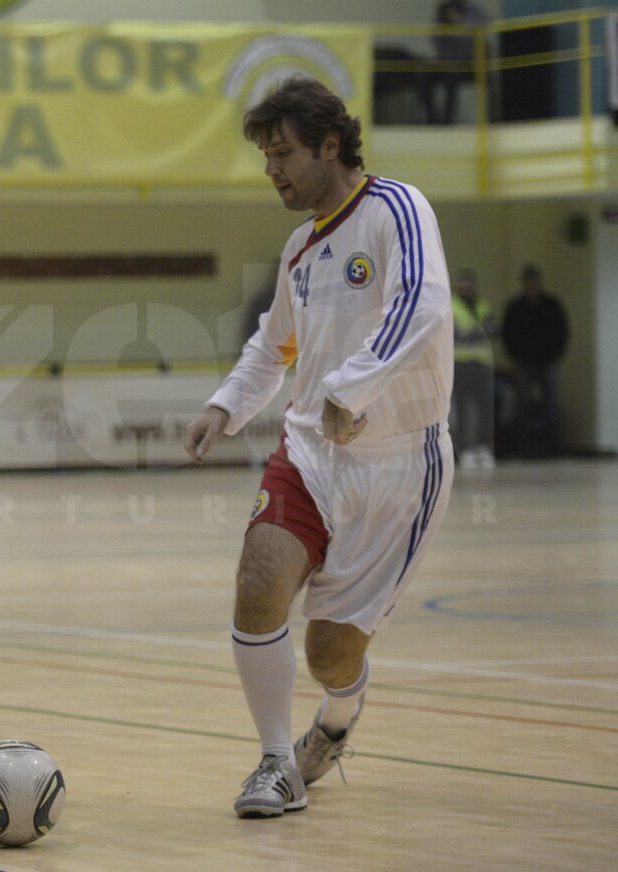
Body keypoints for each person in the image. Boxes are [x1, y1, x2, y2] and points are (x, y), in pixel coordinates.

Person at [183, 77, 454, 818]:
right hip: (310, 452)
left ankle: (336, 721)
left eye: (283, 153)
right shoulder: (301, 248)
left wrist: (350, 391)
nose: (272, 169)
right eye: (266, 155)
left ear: (330, 146)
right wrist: (225, 405)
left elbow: (421, 304)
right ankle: (275, 763)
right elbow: (274, 348)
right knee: (257, 582)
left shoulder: (397, 208)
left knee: (332, 655)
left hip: (401, 465)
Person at [502, 264, 569, 456]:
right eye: (528, 281)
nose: (531, 285)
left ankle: (556, 447)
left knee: (552, 404)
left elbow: (562, 331)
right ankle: (519, 446)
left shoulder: (551, 305)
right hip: (524, 362)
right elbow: (509, 333)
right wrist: (515, 355)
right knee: (521, 404)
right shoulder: (516, 307)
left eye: (534, 281)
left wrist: (556, 354)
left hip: (549, 361)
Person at [450, 268, 498, 467]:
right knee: (460, 409)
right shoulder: (451, 306)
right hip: (459, 364)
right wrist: (475, 332)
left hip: (481, 364)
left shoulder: (483, 306)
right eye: (462, 284)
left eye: (469, 284)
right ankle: (465, 450)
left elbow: (493, 329)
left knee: (485, 408)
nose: (466, 287)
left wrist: (476, 332)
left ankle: (483, 448)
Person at [431, 0, 490, 124]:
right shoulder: (444, 12)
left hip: (469, 63)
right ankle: (432, 117)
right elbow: (436, 42)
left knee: (451, 74)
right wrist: (443, 23)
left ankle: (448, 119)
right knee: (422, 72)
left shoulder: (475, 11)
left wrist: (457, 22)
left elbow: (475, 35)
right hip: (446, 62)